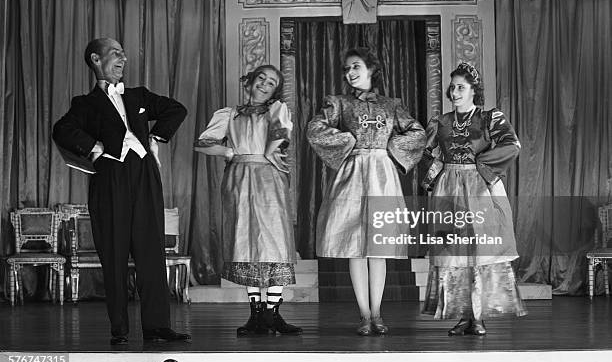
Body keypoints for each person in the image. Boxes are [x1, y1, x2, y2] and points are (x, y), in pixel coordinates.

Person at [53, 38, 190, 345]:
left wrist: (157, 136)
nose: (123, 58)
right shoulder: (84, 104)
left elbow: (176, 109)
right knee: (113, 254)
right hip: (109, 178)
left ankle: (157, 327)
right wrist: (94, 147)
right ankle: (120, 330)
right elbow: (62, 130)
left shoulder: (139, 95)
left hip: (144, 176)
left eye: (123, 53)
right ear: (95, 60)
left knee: (151, 251)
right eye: (115, 53)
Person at [307, 47, 426, 335]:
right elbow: (315, 128)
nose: (350, 73)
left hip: (382, 176)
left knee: (379, 249)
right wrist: (349, 142)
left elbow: (417, 132)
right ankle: (363, 314)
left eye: (356, 67)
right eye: (347, 68)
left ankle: (377, 313)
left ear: (371, 69)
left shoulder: (391, 105)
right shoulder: (338, 103)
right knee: (354, 247)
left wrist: (389, 149)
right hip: (353, 176)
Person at [420, 62, 527, 336]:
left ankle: (478, 316)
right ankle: (463, 316)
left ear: (472, 91)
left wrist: (481, 164)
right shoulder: (440, 122)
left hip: (479, 189)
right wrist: (436, 176)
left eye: (460, 87)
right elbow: (425, 151)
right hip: (449, 190)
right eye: (452, 87)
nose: (454, 92)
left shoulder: (490, 118)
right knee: (456, 253)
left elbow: (511, 145)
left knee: (479, 252)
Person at [195, 64, 302, 336]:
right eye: (261, 79)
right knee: (245, 241)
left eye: (271, 82)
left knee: (274, 241)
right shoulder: (229, 114)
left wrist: (267, 153)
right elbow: (203, 143)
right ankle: (256, 315)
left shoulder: (277, 109)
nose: (265, 85)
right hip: (239, 179)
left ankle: (273, 313)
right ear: (250, 81)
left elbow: (281, 136)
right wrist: (229, 151)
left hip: (269, 177)